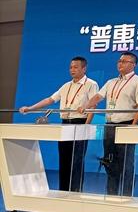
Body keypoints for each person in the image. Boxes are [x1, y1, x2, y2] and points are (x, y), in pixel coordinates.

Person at [19, 56, 99, 192]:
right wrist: (30, 108)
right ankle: (63, 191)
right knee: (64, 159)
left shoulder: (91, 84)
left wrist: (86, 126)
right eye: (71, 67)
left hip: (80, 123)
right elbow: (50, 100)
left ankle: (75, 192)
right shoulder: (66, 85)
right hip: (65, 124)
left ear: (84, 69)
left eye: (76, 67)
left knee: (76, 160)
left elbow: (93, 105)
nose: (72, 70)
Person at [81, 52, 138, 196]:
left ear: (133, 64)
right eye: (119, 61)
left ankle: (126, 196)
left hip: (126, 125)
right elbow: (98, 96)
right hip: (109, 125)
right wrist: (85, 106)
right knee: (110, 162)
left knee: (126, 163)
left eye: (124, 61)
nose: (120, 63)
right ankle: (112, 194)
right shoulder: (111, 82)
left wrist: (134, 126)